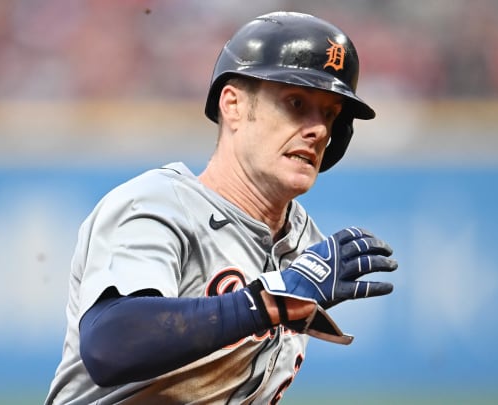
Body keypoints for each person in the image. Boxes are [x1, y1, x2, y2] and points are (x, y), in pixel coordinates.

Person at [44, 11, 398, 405]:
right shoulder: (158, 205)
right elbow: (110, 345)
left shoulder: (304, 246)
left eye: (329, 114)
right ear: (232, 105)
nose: (317, 130)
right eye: (296, 103)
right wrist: (266, 301)